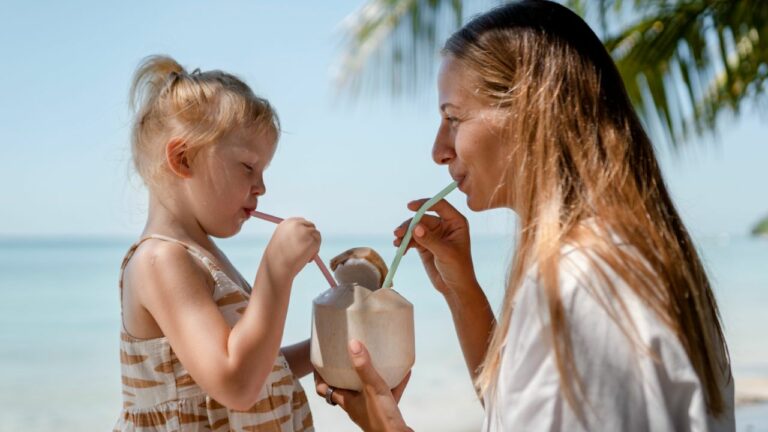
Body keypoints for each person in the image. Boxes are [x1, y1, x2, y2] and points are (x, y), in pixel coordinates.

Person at [316, 1, 735, 431]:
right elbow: (518, 409)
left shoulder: (579, 286)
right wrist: (462, 290)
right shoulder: (632, 257)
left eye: (453, 118)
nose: (439, 150)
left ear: (530, 110)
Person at [114, 55, 317, 431]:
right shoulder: (161, 261)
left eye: (263, 171)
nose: (261, 187)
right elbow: (236, 384)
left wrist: (323, 350)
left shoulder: (205, 257)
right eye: (248, 167)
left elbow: (261, 369)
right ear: (183, 158)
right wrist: (277, 269)